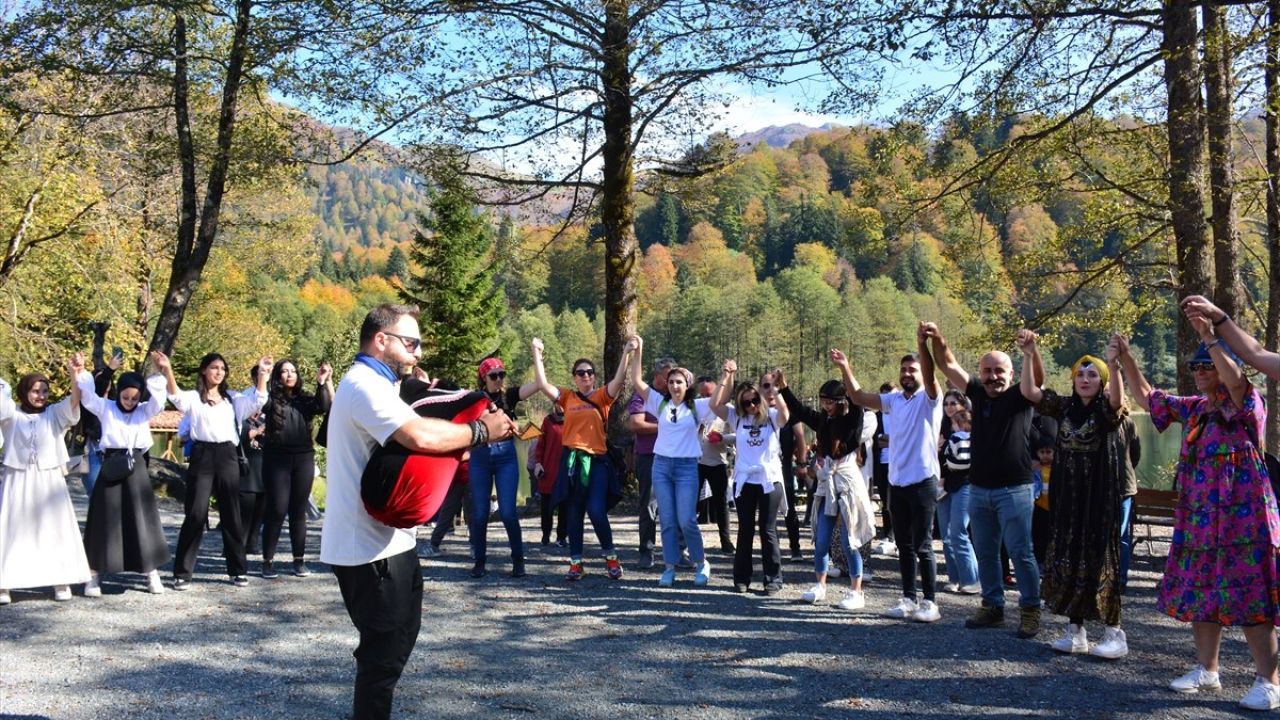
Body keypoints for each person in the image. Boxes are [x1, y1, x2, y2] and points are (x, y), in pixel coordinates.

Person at [321, 303, 516, 720]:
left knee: (398, 641)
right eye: (411, 343)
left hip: (390, 541)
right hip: (365, 547)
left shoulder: (382, 386)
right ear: (381, 340)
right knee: (382, 657)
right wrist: (481, 432)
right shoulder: (363, 386)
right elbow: (419, 435)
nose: (418, 353)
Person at [1115, 326, 1280, 710]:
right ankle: (1207, 670)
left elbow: (1237, 382)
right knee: (1203, 592)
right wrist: (1125, 358)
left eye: (1209, 364)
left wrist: (1210, 336)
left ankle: (1268, 682)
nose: (1201, 370)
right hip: (1200, 517)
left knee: (1251, 595)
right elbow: (1148, 398)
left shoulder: (1247, 402)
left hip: (1245, 519)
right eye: (1196, 366)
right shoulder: (1194, 407)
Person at [928, 322, 1045, 639]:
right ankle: (992, 606)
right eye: (987, 370)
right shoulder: (977, 393)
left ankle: (1030, 610)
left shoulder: (1021, 397)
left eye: (999, 371)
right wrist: (938, 338)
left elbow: (1037, 382)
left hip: (1015, 489)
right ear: (980, 373)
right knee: (986, 552)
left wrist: (1030, 353)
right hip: (979, 489)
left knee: (1021, 553)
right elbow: (947, 364)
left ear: (1010, 373)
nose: (993, 376)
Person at [1020, 332, 1130, 660]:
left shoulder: (1106, 412)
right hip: (1068, 498)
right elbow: (1028, 391)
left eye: (1092, 374)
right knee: (1069, 560)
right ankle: (1076, 631)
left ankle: (1114, 633)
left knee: (1100, 561)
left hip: (1098, 498)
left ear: (1102, 380)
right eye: (1080, 374)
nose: (1084, 379)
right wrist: (1029, 354)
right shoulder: (1064, 406)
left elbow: (1117, 402)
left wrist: (1114, 362)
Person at [831, 328, 945, 624]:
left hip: (923, 481)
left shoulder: (930, 398)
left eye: (913, 368)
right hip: (896, 482)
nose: (907, 373)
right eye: (903, 369)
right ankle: (908, 598)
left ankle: (930, 603)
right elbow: (857, 396)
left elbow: (931, 376)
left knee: (922, 545)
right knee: (904, 546)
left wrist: (923, 345)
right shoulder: (894, 400)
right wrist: (845, 367)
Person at [161, 352, 271, 590]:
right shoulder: (194, 398)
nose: (219, 372)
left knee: (232, 514)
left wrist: (262, 373)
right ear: (203, 370)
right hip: (202, 455)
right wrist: (168, 369)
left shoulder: (233, 399)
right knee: (196, 514)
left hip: (227, 456)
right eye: (214, 367)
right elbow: (175, 397)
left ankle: (237, 570)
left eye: (222, 368)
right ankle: (182, 573)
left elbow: (258, 400)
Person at [530, 336, 632, 581]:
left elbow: (618, 381)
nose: (585, 376)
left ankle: (611, 558)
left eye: (589, 373)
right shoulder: (568, 397)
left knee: (596, 510)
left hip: (596, 461)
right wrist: (536, 351)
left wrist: (627, 351)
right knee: (573, 512)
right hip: (572, 461)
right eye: (580, 373)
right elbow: (542, 383)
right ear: (574, 377)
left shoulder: (601, 397)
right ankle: (576, 563)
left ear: (594, 377)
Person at [776, 363, 872, 610]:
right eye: (823, 402)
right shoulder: (823, 421)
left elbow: (856, 398)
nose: (825, 406)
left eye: (830, 402)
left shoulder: (853, 420)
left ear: (841, 401)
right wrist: (784, 388)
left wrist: (845, 369)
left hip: (848, 483)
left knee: (849, 540)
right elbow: (799, 409)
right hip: (826, 484)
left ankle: (856, 591)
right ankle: (820, 585)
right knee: (821, 539)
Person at [77, 353, 171, 596]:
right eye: (125, 397)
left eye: (135, 398)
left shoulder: (143, 410)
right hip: (111, 465)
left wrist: (161, 372)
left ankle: (151, 573)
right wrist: (80, 370)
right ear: (118, 392)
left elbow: (159, 402)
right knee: (102, 519)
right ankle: (93, 576)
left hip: (136, 465)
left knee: (141, 519)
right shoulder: (106, 408)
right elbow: (88, 397)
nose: (129, 402)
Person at [0, 356, 90, 604]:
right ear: (24, 391)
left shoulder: (53, 414)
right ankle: (4, 583)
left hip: (49, 479)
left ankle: (60, 580)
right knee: (11, 528)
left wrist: (75, 374)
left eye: (44, 391)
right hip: (17, 478)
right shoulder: (11, 413)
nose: (40, 395)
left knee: (55, 528)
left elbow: (73, 402)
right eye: (35, 391)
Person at [630, 335, 716, 587]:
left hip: (687, 467)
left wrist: (727, 375)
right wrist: (639, 350)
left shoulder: (697, 406)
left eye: (679, 382)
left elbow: (720, 400)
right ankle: (669, 568)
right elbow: (635, 380)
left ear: (687, 385)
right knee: (666, 519)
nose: (675, 385)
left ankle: (702, 563)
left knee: (686, 519)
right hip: (662, 465)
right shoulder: (659, 402)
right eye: (671, 382)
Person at [708, 360, 789, 594]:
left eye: (755, 400)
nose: (752, 405)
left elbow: (785, 414)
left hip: (769, 480)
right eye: (746, 402)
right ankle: (741, 578)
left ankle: (773, 579)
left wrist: (777, 389)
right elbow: (715, 404)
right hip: (745, 481)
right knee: (745, 529)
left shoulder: (772, 416)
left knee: (768, 530)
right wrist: (726, 376)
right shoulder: (737, 418)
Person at [259, 359, 332, 579]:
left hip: (303, 457)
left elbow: (325, 407)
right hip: (276, 458)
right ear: (278, 376)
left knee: (298, 511)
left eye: (292, 371)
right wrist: (264, 374)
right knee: (277, 509)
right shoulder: (270, 398)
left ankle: (299, 561)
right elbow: (259, 401)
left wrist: (322, 382)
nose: (289, 375)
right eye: (284, 371)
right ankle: (267, 561)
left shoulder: (305, 398)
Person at [469, 356, 540, 578]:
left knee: (508, 513)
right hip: (480, 456)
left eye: (502, 374)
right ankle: (479, 561)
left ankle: (518, 561)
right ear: (484, 377)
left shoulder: (509, 396)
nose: (499, 379)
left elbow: (538, 385)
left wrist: (535, 354)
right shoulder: (474, 399)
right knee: (480, 514)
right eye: (493, 375)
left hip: (505, 456)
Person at [630, 356, 675, 569]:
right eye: (668, 377)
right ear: (657, 376)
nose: (671, 382)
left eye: (674, 377)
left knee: (676, 505)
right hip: (648, 455)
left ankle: (676, 551)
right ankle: (646, 551)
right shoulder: (644, 394)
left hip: (675, 456)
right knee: (648, 504)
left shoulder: (678, 395)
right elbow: (636, 424)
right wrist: (665, 426)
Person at [763, 371, 806, 561]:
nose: (770, 390)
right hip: (763, 468)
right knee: (765, 510)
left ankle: (795, 548)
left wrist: (802, 463)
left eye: (774, 385)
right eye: (765, 385)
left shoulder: (790, 411)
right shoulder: (755, 410)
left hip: (784, 464)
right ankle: (772, 550)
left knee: (789, 508)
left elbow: (801, 437)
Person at [939, 406, 980, 594]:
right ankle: (954, 578)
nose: (949, 407)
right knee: (946, 536)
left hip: (964, 485)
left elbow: (961, 461)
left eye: (953, 403)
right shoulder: (943, 432)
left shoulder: (966, 438)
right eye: (946, 403)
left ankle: (971, 579)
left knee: (958, 532)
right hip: (944, 487)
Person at [696, 375, 734, 555]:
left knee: (721, 504)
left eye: (709, 394)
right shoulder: (694, 409)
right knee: (690, 503)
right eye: (702, 394)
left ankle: (725, 541)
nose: (705, 398)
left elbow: (739, 435)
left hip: (718, 462)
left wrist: (722, 438)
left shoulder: (727, 411)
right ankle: (689, 542)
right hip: (695, 462)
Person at [78, 350, 122, 498]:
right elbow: (98, 388)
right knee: (94, 492)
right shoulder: (88, 403)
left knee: (113, 495)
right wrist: (109, 370)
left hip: (113, 452)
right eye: (99, 377)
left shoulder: (117, 405)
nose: (104, 379)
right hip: (92, 450)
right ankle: (95, 521)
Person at [531, 405, 568, 548]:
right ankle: (546, 534)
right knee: (546, 508)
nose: (561, 405)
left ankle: (561, 536)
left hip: (565, 470)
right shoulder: (548, 421)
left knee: (565, 506)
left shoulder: (572, 419)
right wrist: (538, 463)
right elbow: (540, 445)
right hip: (548, 470)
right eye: (558, 402)